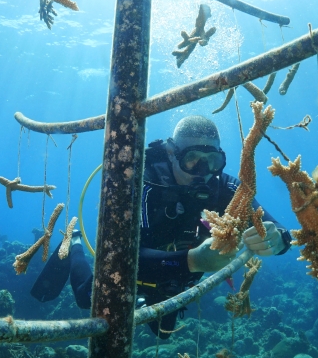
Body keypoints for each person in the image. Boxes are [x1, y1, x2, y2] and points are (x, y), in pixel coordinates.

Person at [31, 115, 291, 338]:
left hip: (174, 271)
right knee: (86, 299)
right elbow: (121, 260)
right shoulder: (142, 185)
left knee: (163, 332)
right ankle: (74, 242)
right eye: (192, 159)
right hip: (143, 263)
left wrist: (278, 238)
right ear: (171, 152)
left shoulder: (226, 187)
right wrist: (194, 261)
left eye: (212, 160)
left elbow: (274, 226)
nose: (204, 171)